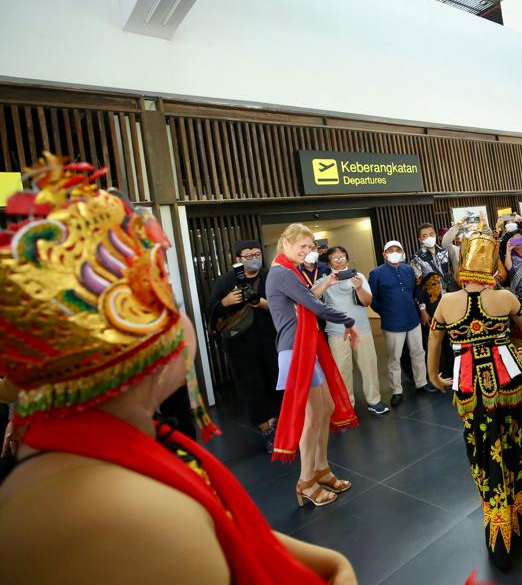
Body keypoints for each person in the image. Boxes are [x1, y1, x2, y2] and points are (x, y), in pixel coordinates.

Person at [0, 155, 357, 584]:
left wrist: (329, 564)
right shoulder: (117, 511)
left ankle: (315, 473)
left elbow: (234, 534)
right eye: (161, 295)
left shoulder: (92, 463)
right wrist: (340, 572)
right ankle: (309, 475)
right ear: (134, 333)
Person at [427, 229, 522, 571]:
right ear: (491, 265)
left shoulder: (447, 303)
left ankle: (498, 522)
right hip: (511, 379)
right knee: (520, 441)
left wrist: (434, 376)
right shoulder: (504, 298)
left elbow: (433, 344)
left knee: (483, 448)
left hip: (470, 385)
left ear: (462, 264)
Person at [267, 224, 358, 508]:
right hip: (295, 351)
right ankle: (306, 480)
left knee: (325, 409)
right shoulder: (282, 273)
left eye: (311, 247)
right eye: (302, 246)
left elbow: (309, 299)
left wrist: (325, 286)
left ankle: (320, 468)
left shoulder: (289, 272)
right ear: (286, 242)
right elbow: (314, 306)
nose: (307, 252)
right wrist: (348, 320)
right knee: (312, 416)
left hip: (304, 348)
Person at [207, 240, 282, 452]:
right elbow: (211, 312)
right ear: (238, 259)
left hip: (271, 341)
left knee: (276, 384)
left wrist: (263, 303)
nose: (254, 259)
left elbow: (286, 305)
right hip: (240, 345)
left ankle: (278, 428)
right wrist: (225, 303)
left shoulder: (271, 276)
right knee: (252, 388)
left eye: (257, 254)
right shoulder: (226, 281)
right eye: (248, 256)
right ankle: (267, 431)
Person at [322, 246, 389, 416]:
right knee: (342, 369)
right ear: (329, 262)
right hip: (337, 331)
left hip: (362, 328)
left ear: (347, 259)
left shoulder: (358, 277)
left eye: (342, 257)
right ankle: (346, 404)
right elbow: (311, 299)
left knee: (369, 365)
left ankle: (374, 401)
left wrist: (359, 288)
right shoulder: (324, 280)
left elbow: (367, 302)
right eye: (335, 258)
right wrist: (326, 283)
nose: (339, 260)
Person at [369, 240, 433, 408]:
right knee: (394, 358)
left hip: (412, 319)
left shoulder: (408, 269)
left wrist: (421, 308)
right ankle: (397, 391)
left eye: (398, 249)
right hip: (392, 322)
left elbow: (415, 291)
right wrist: (385, 312)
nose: (395, 252)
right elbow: (373, 299)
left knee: (418, 352)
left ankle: (421, 383)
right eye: (391, 250)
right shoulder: (376, 273)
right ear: (384, 254)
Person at [411, 223, 458, 378]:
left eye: (431, 234)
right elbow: (417, 286)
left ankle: (458, 369)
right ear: (419, 239)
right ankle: (443, 374)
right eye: (424, 236)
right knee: (439, 338)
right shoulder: (417, 258)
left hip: (451, 298)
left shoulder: (444, 252)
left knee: (455, 335)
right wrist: (422, 309)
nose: (429, 237)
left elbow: (451, 273)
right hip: (433, 302)